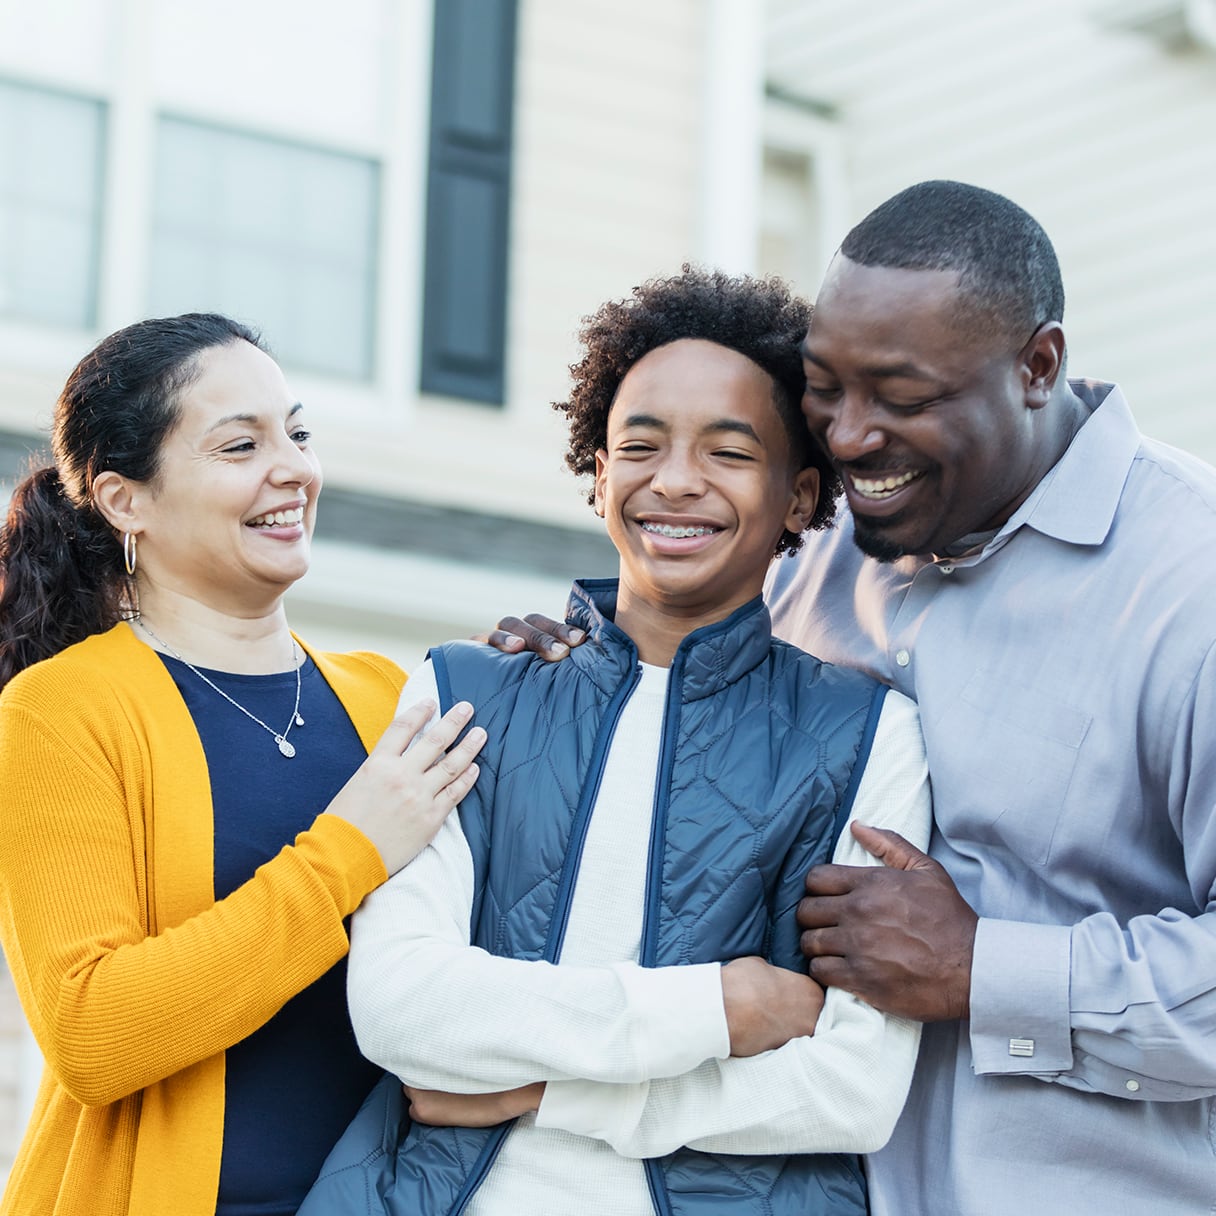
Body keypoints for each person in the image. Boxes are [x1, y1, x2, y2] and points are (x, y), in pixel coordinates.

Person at [496, 181, 1216, 1215]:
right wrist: (577, 665)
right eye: (824, 387)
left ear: (1035, 366)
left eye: (901, 395)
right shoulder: (818, 551)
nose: (844, 435)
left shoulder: (1187, 591)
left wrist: (982, 968)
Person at [300, 267, 931, 1216]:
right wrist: (721, 1008)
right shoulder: (467, 689)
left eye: (728, 452)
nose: (674, 481)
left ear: (799, 497)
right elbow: (399, 1006)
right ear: (599, 476)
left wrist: (544, 1092)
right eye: (639, 445)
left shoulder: (865, 733)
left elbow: (851, 1091)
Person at [0, 313, 486, 1216]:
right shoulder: (64, 710)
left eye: (297, 433)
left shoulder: (392, 697)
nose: (294, 467)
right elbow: (91, 1032)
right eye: (240, 445)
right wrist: (348, 853)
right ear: (123, 500)